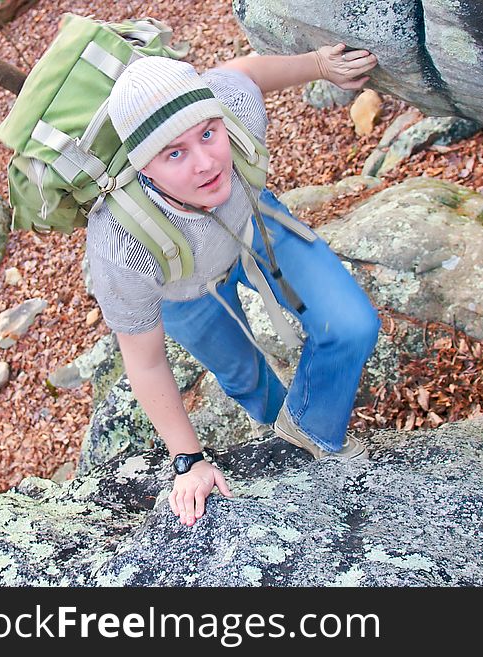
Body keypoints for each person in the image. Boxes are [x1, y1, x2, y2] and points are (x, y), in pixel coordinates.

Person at [88, 44, 381, 527]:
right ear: (143, 168)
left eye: (208, 133)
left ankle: (307, 433)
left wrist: (320, 65)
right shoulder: (122, 242)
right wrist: (188, 460)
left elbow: (241, 73)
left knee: (350, 325)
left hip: (254, 227)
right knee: (244, 378)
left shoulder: (232, 103)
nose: (205, 163)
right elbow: (145, 360)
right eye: (174, 153)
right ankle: (276, 423)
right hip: (183, 288)